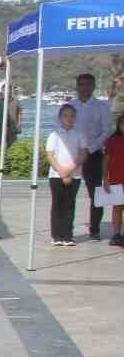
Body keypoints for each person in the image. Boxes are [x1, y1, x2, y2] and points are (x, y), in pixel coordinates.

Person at [72, 72, 112, 240]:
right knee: (68, 194)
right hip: (72, 154)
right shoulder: (70, 106)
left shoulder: (101, 107)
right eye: (82, 84)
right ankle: (65, 230)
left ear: (93, 86)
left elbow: (107, 130)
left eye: (88, 84)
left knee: (96, 194)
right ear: (77, 86)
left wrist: (92, 147)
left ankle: (94, 229)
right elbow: (60, 126)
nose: (85, 87)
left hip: (93, 154)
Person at [47, 102, 84, 247]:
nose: (69, 118)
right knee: (57, 205)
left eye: (72, 116)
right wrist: (62, 172)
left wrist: (70, 170)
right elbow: (50, 155)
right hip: (56, 175)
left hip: (74, 174)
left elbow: (83, 153)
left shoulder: (79, 134)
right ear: (60, 117)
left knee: (69, 205)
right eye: (65, 116)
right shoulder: (54, 135)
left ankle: (68, 235)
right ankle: (57, 235)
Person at [98, 113, 124, 246]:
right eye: (122, 122)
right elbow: (106, 160)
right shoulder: (112, 140)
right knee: (117, 207)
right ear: (118, 125)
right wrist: (105, 178)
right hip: (116, 179)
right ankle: (116, 234)